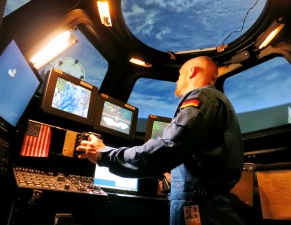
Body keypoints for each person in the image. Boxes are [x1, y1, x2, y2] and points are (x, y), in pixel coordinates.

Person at [76, 56, 245, 225]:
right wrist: (176, 177)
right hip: (211, 206)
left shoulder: (201, 97)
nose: (177, 81)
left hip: (199, 207)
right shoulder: (218, 102)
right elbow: (198, 156)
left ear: (192, 71)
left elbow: (169, 147)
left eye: (179, 75)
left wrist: (104, 154)